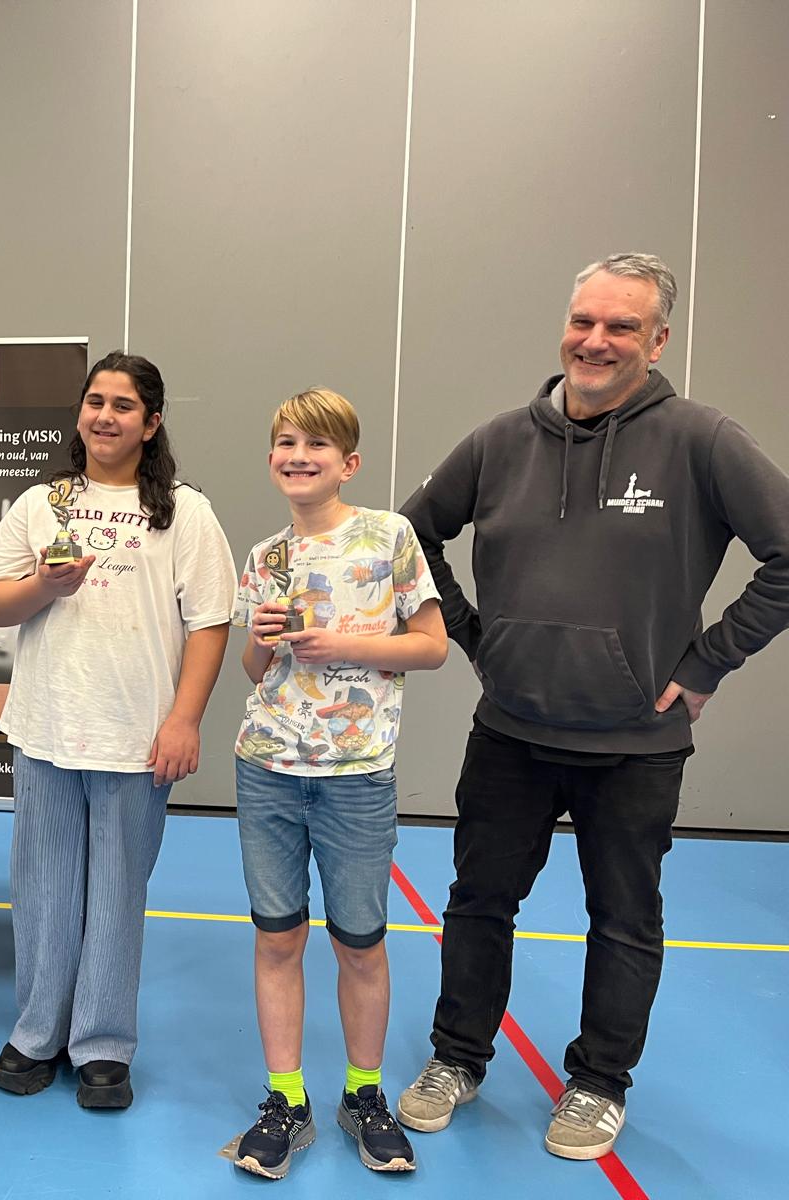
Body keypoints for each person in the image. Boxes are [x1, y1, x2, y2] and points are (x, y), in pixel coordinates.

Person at [396, 253, 789, 1160]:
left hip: (636, 743)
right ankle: (457, 1057)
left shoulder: (702, 440)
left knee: (623, 919)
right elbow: (411, 535)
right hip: (510, 733)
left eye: (621, 326)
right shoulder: (499, 441)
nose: (596, 340)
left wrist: (708, 662)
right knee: (478, 903)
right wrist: (473, 634)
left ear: (658, 340)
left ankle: (600, 1081)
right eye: (584, 321)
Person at [0, 350, 235, 1109]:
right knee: (44, 890)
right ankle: (37, 1032)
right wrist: (44, 584)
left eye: (123, 405)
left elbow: (210, 622)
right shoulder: (41, 503)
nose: (105, 416)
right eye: (95, 401)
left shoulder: (185, 512)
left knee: (117, 895)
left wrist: (184, 719)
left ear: (150, 423)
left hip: (136, 736)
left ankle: (102, 1043)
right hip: (47, 726)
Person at [226, 390, 446, 1179]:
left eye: (317, 444)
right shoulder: (264, 557)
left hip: (356, 775)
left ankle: (363, 1094)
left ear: (348, 462)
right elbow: (255, 670)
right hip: (268, 769)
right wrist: (262, 640)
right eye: (287, 442)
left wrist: (348, 644)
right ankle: (286, 1100)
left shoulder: (389, 537)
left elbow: (432, 646)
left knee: (360, 944)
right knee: (277, 938)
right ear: (272, 459)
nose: (300, 456)